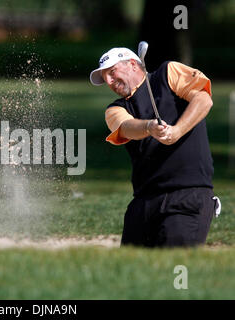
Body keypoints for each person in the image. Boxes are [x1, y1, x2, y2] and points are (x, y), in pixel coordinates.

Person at [90, 47, 220, 248]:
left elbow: (203, 100)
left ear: (133, 64)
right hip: (144, 203)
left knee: (173, 265)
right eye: (105, 77)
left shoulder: (169, 72)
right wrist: (149, 127)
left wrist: (177, 131)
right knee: (129, 272)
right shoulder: (115, 109)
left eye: (112, 72)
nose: (109, 82)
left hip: (188, 196)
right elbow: (127, 128)